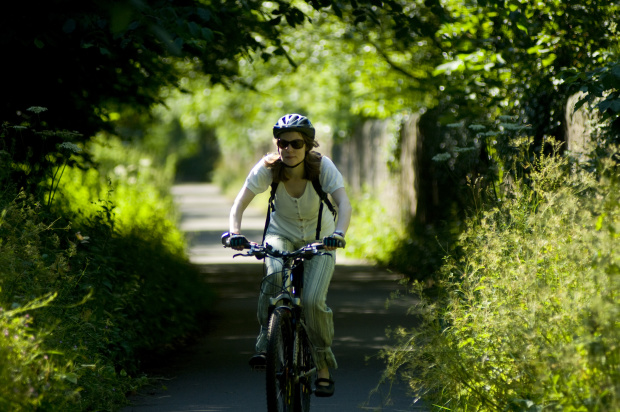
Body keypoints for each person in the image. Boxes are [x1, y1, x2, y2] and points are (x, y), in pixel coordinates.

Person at [227, 113, 352, 398]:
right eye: (283, 143)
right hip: (279, 234)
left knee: (311, 301)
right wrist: (234, 232)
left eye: (296, 143)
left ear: (308, 145)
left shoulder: (322, 167)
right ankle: (265, 345)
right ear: (277, 145)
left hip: (321, 239)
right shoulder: (268, 168)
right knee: (272, 279)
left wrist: (339, 235)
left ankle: (321, 365)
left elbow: (343, 203)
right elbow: (239, 203)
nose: (289, 149)